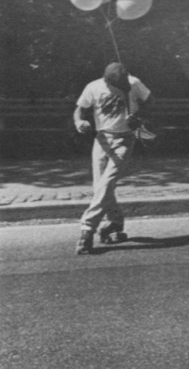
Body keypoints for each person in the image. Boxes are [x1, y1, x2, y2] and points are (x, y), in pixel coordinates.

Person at [73, 61, 152, 255]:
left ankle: (87, 230)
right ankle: (115, 223)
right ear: (107, 82)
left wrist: (139, 116)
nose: (124, 89)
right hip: (102, 140)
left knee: (106, 183)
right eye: (119, 87)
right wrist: (79, 121)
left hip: (125, 140)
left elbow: (150, 101)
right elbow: (80, 109)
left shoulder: (134, 83)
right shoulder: (94, 87)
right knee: (99, 186)